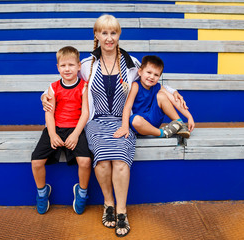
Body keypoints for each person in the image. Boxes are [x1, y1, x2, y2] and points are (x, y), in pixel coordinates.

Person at [42, 15, 186, 237]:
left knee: (119, 160)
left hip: (123, 121)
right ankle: (108, 204)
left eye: (113, 33)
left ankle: (121, 211)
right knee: (100, 158)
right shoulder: (87, 64)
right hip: (96, 121)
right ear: (97, 35)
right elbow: (65, 79)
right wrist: (45, 95)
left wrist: (173, 91)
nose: (109, 38)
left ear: (119, 35)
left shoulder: (131, 63)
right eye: (104, 33)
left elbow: (152, 79)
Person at [31, 46, 91, 215]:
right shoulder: (53, 87)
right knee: (36, 161)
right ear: (57, 67)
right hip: (56, 128)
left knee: (85, 161)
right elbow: (49, 114)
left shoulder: (84, 87)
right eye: (63, 66)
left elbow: (85, 113)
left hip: (75, 129)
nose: (67, 69)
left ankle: (82, 192)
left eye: (71, 65)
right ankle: (42, 192)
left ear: (79, 66)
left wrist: (75, 134)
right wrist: (52, 134)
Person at [114, 55, 195, 140]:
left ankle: (180, 124)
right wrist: (124, 127)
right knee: (135, 120)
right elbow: (128, 106)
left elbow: (174, 100)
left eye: (156, 75)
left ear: (159, 77)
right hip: (140, 124)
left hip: (153, 119)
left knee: (162, 95)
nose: (152, 77)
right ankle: (162, 133)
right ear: (140, 72)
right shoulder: (136, 86)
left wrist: (189, 117)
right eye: (149, 72)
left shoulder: (158, 87)